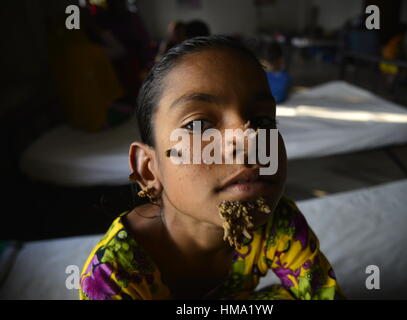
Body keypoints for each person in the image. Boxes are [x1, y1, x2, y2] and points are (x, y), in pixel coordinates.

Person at [79, 36, 344, 300]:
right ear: (149, 171)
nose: (248, 139)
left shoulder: (277, 223)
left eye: (263, 120)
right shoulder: (113, 275)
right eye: (198, 125)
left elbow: (321, 292)